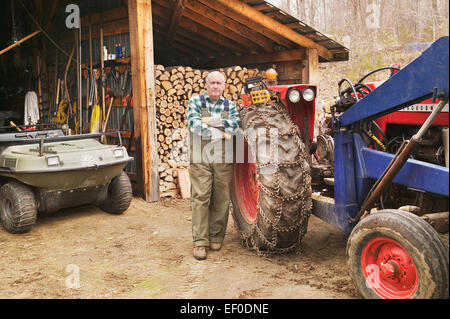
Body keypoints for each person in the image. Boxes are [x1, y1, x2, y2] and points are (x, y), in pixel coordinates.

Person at [187, 71, 241, 260]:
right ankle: (200, 242)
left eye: (219, 83)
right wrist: (221, 130)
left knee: (221, 198)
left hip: (222, 158)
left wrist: (208, 121)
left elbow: (235, 127)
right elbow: (194, 125)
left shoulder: (230, 105)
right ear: (206, 85)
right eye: (212, 83)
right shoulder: (195, 102)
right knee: (201, 197)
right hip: (200, 157)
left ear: (224, 86)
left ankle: (216, 236)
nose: (216, 86)